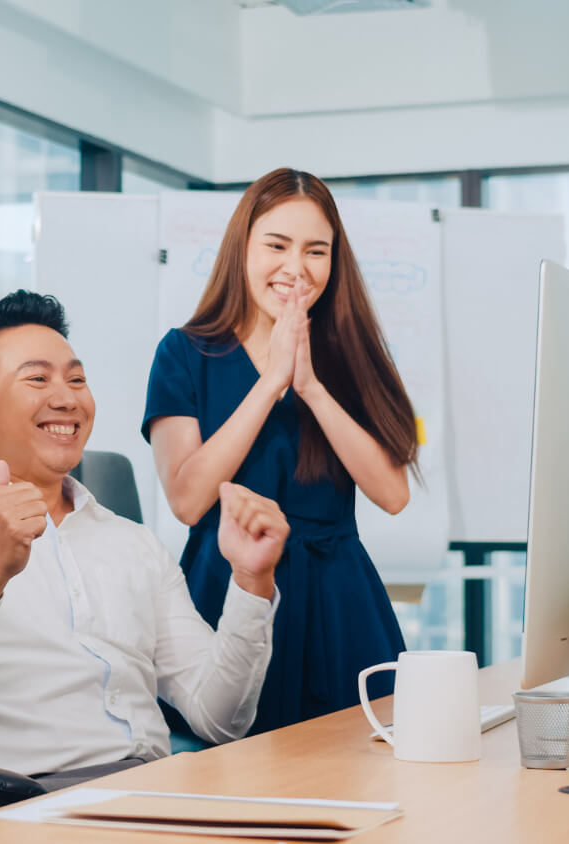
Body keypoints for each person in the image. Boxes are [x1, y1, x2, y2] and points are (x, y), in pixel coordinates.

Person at [0, 291, 287, 786]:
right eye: (37, 379)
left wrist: (251, 581)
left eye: (76, 379)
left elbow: (221, 720)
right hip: (17, 804)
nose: (66, 398)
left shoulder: (132, 542)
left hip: (154, 793)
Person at [143, 168, 420, 732]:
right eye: (277, 245)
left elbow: (393, 494)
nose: (296, 268)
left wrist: (311, 388)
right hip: (231, 590)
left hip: (340, 600)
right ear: (242, 248)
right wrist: (270, 382)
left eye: (316, 251)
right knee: (231, 771)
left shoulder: (355, 352)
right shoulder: (183, 352)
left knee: (363, 765)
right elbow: (188, 500)